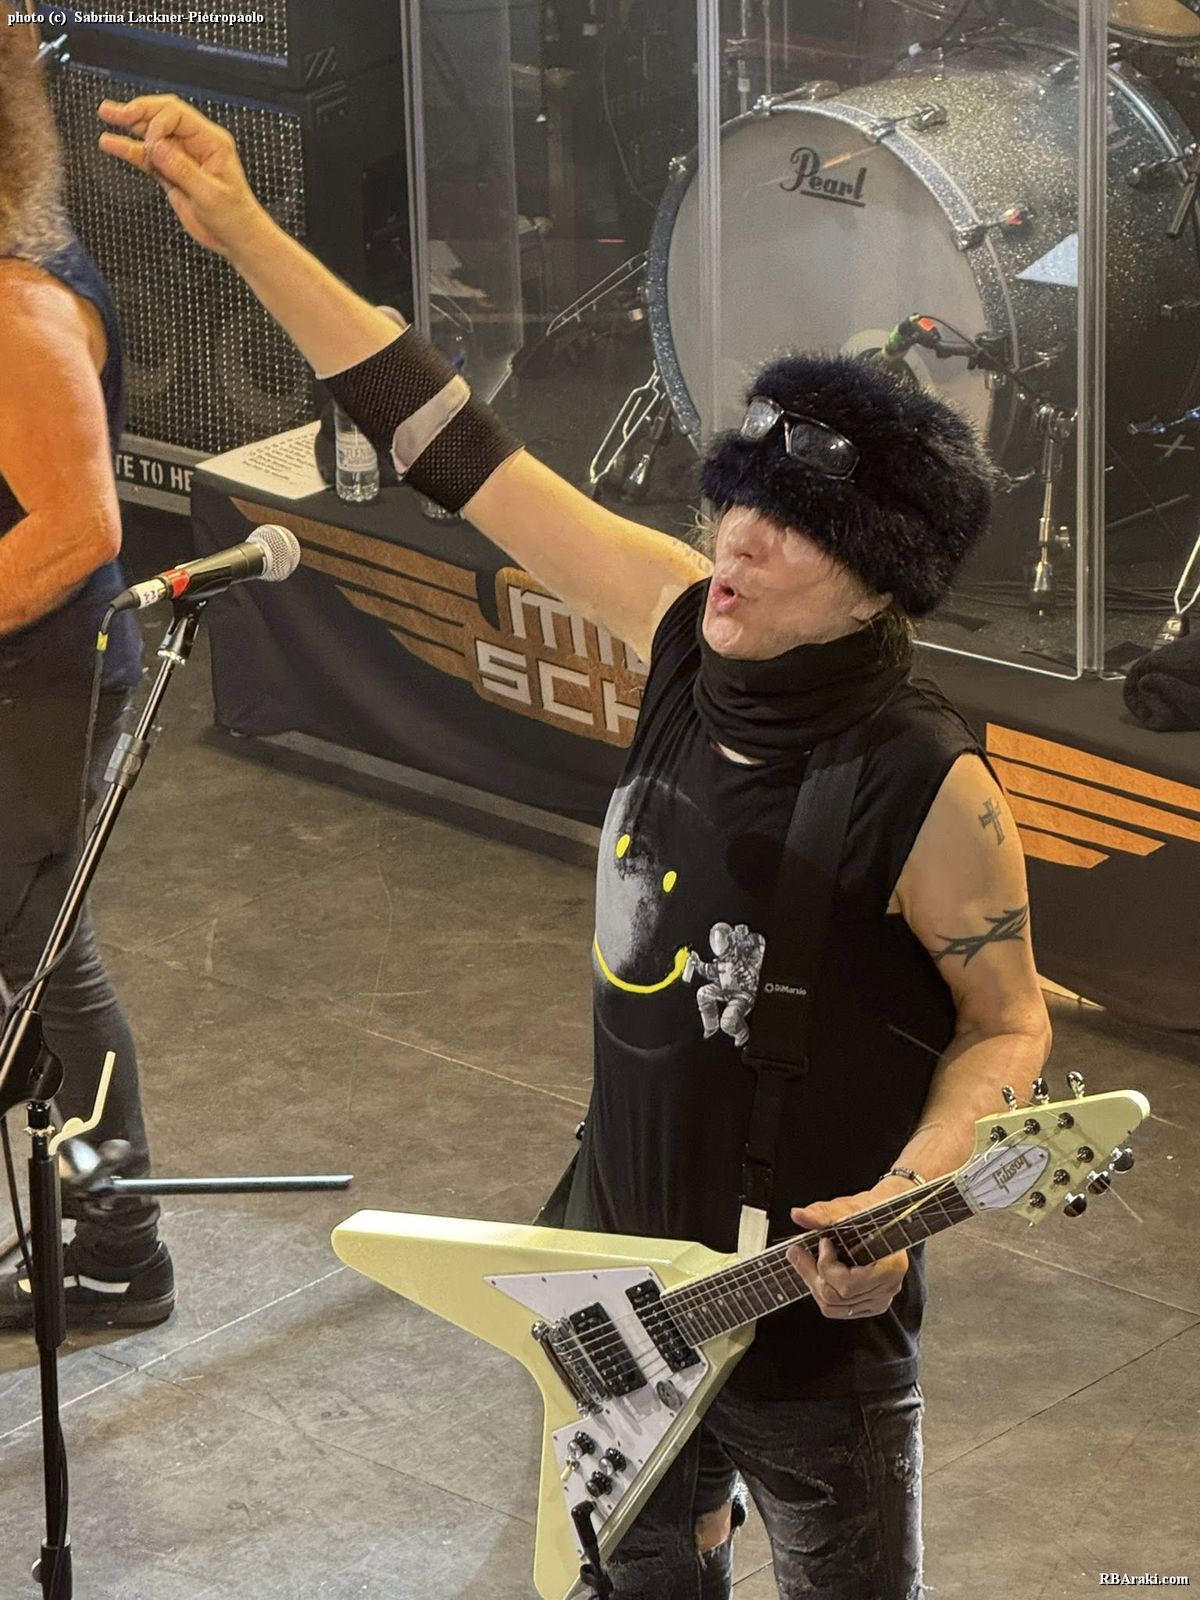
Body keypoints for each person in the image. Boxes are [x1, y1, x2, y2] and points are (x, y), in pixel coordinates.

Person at [97, 94, 1052, 1598]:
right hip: (610, 1265)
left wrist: (906, 1199)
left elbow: (1009, 1024)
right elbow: (453, 445)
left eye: (787, 529)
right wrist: (244, 230)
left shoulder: (925, 778)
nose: (735, 542)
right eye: (734, 505)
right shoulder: (680, 631)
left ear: (879, 581)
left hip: (804, 1317)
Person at [0, 23, 173, 1329]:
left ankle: (119, 1247)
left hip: (44, 682)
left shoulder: (19, 307)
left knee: (48, 958)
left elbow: (78, 530)